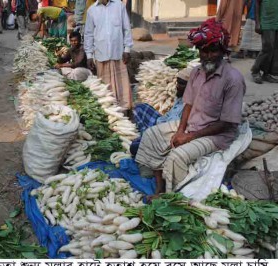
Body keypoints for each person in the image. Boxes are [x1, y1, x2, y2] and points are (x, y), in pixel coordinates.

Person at [135, 18, 246, 197]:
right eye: (204, 50)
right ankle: (159, 189)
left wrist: (189, 137)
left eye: (213, 50)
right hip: (192, 126)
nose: (208, 55)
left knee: (176, 157)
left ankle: (175, 196)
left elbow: (226, 122)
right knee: (150, 135)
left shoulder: (233, 79)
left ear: (222, 51)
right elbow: (188, 104)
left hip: (216, 135)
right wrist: (181, 131)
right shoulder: (196, 73)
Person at [130, 68, 192, 155]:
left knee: (134, 147)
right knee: (140, 108)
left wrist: (158, 130)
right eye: (177, 82)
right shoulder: (180, 98)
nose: (177, 86)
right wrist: (159, 122)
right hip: (160, 124)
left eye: (182, 84)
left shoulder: (190, 105)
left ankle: (146, 137)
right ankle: (146, 135)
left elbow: (176, 128)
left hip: (167, 132)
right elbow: (167, 116)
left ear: (191, 86)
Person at [84, 0, 133, 111]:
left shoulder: (119, 6)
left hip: (118, 53)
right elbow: (88, 34)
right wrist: (89, 56)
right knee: (104, 89)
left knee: (122, 89)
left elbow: (126, 28)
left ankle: (125, 111)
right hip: (101, 54)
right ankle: (109, 112)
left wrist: (127, 49)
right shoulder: (92, 10)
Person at [251, 0, 278, 84]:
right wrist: (257, 23)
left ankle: (267, 74)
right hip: (267, 22)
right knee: (267, 47)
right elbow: (257, 4)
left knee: (275, 50)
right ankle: (255, 70)